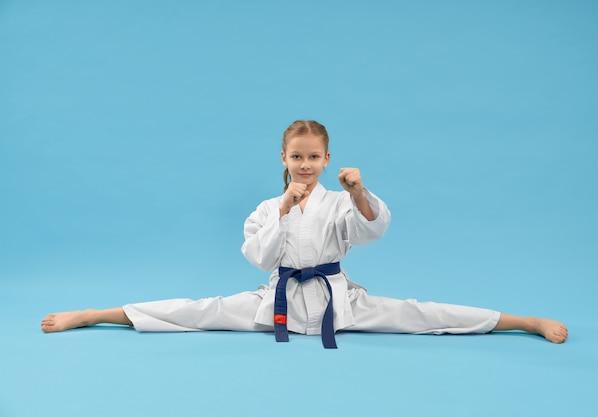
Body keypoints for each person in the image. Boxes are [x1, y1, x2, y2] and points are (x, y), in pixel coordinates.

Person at [41, 120, 568, 347]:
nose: (306, 164)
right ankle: (95, 314)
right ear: (283, 158)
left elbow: (370, 232)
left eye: (315, 157)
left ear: (328, 159)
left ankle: (523, 321)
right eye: (298, 157)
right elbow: (257, 255)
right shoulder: (268, 205)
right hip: (274, 298)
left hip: (338, 300)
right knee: (194, 311)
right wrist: (284, 210)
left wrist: (361, 194)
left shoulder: (342, 199)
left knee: (420, 314)